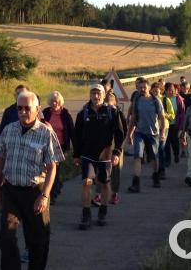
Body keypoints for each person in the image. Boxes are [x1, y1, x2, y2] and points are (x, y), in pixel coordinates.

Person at [0, 90, 64, 270]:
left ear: (37, 109)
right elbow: (0, 157)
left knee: (38, 241)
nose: (23, 112)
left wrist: (45, 195)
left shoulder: (45, 133)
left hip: (35, 193)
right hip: (11, 191)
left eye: (27, 108)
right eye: (19, 108)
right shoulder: (9, 130)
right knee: (6, 237)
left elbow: (52, 167)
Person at [73, 84, 124, 229]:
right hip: (88, 154)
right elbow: (76, 135)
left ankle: (103, 211)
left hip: (105, 154)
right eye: (93, 93)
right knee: (86, 182)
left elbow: (120, 133)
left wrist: (117, 152)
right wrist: (76, 154)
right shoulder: (83, 113)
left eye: (98, 93)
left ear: (103, 94)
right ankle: (86, 214)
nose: (96, 96)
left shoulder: (112, 112)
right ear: (89, 95)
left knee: (105, 183)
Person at [126, 78, 167, 192]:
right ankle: (136, 183)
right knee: (137, 157)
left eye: (144, 87)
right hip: (139, 133)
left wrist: (163, 132)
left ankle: (155, 176)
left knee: (153, 158)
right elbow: (134, 118)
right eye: (140, 87)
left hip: (153, 134)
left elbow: (162, 117)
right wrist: (130, 134)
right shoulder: (137, 100)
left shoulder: (155, 100)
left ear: (149, 88)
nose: (142, 89)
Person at [41, 91, 74, 205]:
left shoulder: (65, 115)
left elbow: (71, 132)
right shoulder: (45, 112)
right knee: (45, 170)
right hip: (45, 146)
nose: (54, 103)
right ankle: (55, 187)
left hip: (60, 147)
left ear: (60, 102)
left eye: (56, 101)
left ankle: (53, 194)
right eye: (52, 101)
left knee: (55, 170)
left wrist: (74, 150)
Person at [105, 91, 127, 204]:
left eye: (112, 97)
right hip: (104, 146)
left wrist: (118, 150)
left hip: (116, 145)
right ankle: (101, 194)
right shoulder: (101, 112)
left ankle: (115, 193)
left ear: (115, 101)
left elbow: (123, 131)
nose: (109, 98)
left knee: (115, 170)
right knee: (103, 171)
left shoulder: (118, 113)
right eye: (107, 96)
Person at [151, 82, 175, 180]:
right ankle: (155, 171)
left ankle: (162, 171)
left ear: (161, 91)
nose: (155, 93)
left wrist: (165, 115)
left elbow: (172, 115)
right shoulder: (149, 100)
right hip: (152, 128)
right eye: (153, 91)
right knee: (153, 150)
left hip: (164, 127)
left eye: (157, 91)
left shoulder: (165, 100)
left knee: (161, 149)